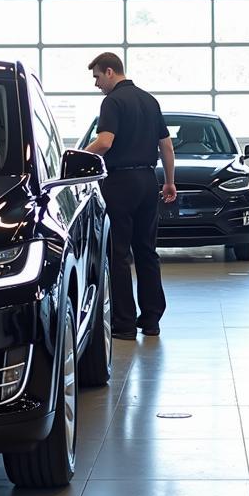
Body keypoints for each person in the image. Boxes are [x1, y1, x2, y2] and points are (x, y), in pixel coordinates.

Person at [84, 52, 177, 340]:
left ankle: (124, 324)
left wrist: (76, 157)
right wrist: (169, 183)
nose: (97, 84)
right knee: (147, 251)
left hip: (120, 183)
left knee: (119, 253)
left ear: (110, 72)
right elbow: (166, 146)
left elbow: (105, 142)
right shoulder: (150, 100)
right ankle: (151, 321)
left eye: (97, 77)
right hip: (149, 181)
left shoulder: (111, 102)